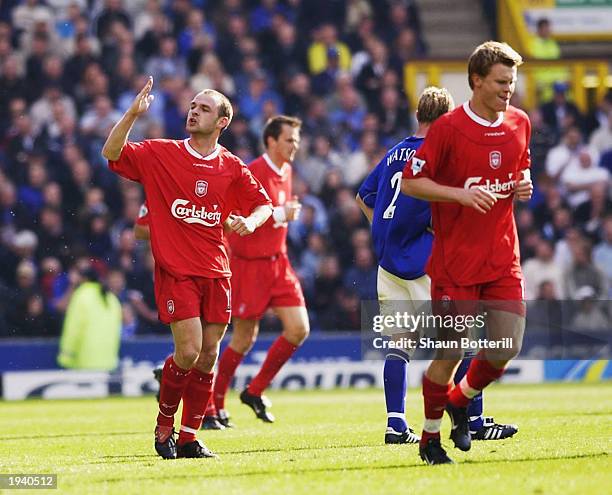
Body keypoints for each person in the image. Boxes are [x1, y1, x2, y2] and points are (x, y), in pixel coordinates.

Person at [102, 77, 273, 460]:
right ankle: (164, 427)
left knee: (209, 355)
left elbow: (263, 204)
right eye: (192, 106)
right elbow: (111, 152)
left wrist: (254, 222)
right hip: (177, 271)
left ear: (222, 122)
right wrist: (132, 114)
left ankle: (190, 437)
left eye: (204, 108)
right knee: (189, 351)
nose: (194, 111)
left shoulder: (231, 166)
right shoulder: (160, 154)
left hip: (217, 271)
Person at [357, 86, 517, 446]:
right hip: (425, 262)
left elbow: (363, 195)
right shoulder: (438, 155)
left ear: (417, 115)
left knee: (401, 343)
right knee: (465, 337)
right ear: (446, 119)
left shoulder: (394, 152)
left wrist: (383, 227)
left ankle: (395, 424)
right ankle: (474, 421)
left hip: (389, 264)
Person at [401, 41, 533, 464]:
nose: (507, 90)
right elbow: (411, 183)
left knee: (505, 346)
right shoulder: (448, 129)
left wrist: (522, 186)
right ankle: (429, 438)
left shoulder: (520, 122)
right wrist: (459, 194)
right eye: (500, 82)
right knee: (451, 352)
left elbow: (517, 168)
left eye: (511, 82)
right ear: (476, 81)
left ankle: (460, 399)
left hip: (502, 256)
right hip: (456, 263)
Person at [211, 115, 309, 425]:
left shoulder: (287, 170)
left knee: (298, 329)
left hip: (278, 263)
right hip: (249, 265)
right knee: (242, 339)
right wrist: (281, 214)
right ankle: (213, 403)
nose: (295, 145)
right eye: (289, 139)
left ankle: (255, 390)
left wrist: (283, 215)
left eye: (296, 139)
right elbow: (237, 220)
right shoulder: (252, 172)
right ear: (271, 141)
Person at [57, 266, 122, 371]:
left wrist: (66, 357)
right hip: (109, 362)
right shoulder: (112, 298)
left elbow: (73, 328)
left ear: (83, 279)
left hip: (84, 361)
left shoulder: (81, 296)